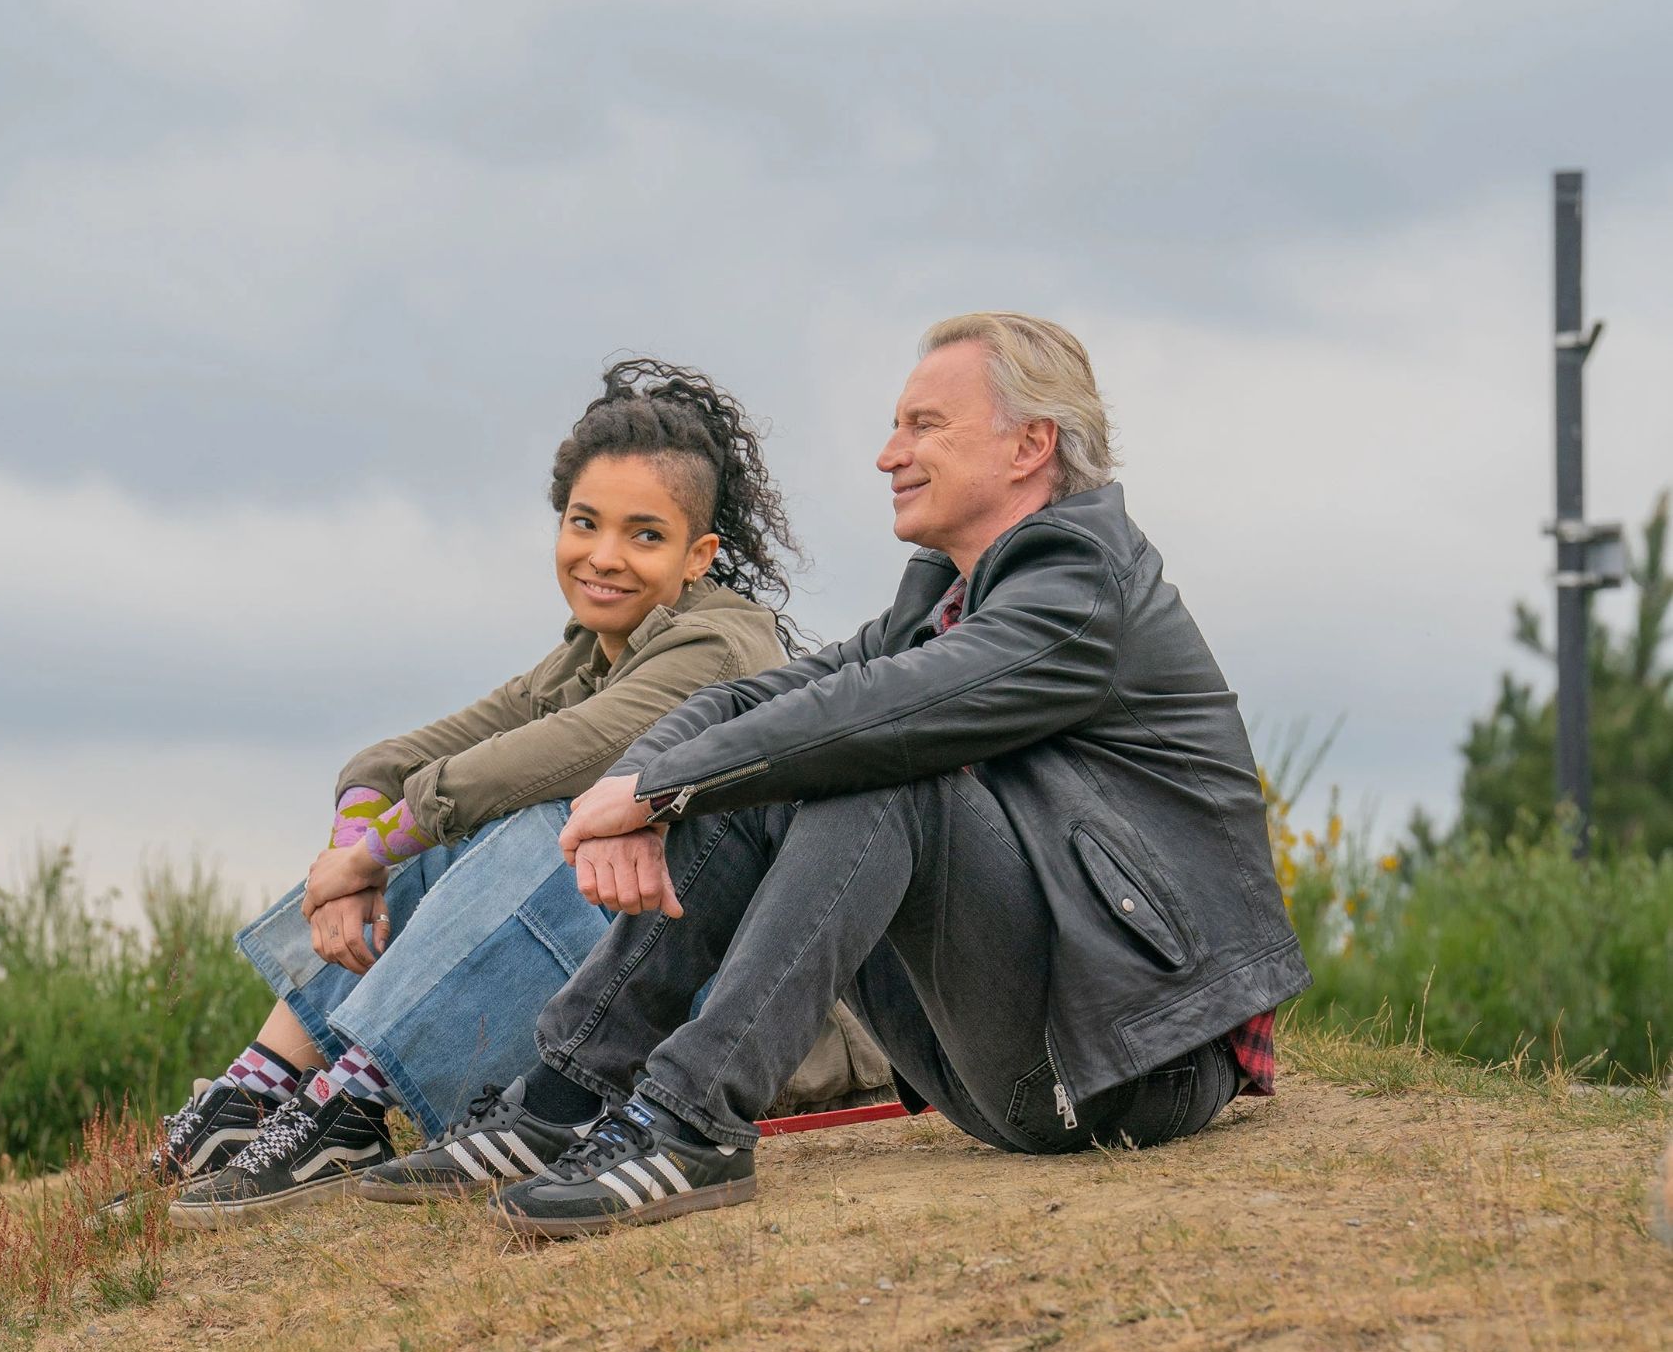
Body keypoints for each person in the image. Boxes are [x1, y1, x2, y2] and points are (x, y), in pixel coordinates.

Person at [414, 312, 1310, 1237]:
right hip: (1011, 1053)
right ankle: (562, 1099)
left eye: (924, 424)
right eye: (896, 425)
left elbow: (881, 717)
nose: (889, 453)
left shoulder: (1080, 586)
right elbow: (757, 703)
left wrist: (656, 792)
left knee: (884, 769)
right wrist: (643, 780)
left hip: (1139, 1059)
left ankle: (689, 1121)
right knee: (771, 773)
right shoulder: (946, 591)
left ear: (1029, 444)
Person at [136, 359, 810, 1228]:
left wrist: (372, 852)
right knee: (457, 821)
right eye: (583, 523)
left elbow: (539, 759)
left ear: (698, 555)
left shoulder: (715, 647)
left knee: (545, 821)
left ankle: (350, 1098)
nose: (603, 556)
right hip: (634, 974)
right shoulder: (591, 652)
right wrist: (358, 847)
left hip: (740, 1008)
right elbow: (394, 758)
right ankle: (262, 1088)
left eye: (644, 535)